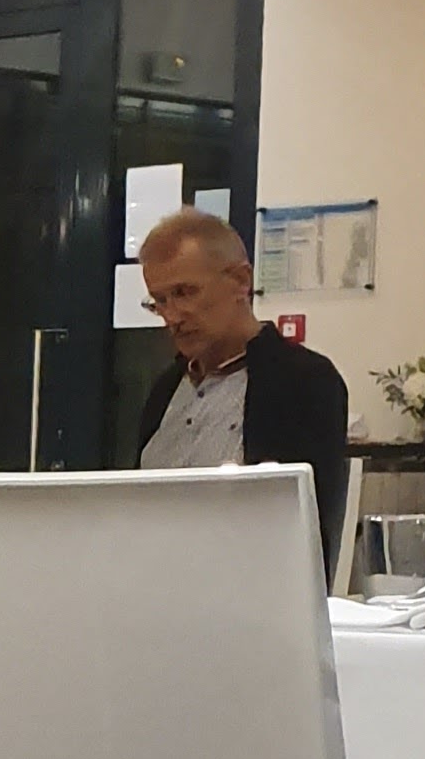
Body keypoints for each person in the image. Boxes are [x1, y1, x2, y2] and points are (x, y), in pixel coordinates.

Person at [134, 207, 350, 560]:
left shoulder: (302, 381)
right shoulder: (166, 388)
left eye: (185, 292)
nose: (172, 316)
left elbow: (303, 534)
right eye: (159, 301)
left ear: (240, 281)